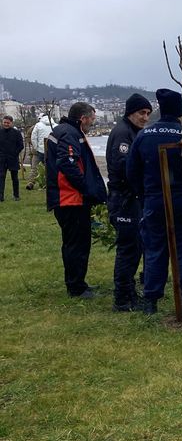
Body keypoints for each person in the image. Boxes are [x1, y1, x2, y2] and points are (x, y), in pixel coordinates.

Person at [126, 88, 182, 315]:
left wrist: (144, 195)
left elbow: (131, 171)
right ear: (181, 111)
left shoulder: (144, 136)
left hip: (155, 200)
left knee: (155, 247)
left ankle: (151, 299)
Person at [45, 103, 107, 298]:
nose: (92, 123)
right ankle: (76, 287)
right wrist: (87, 189)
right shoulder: (69, 133)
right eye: (92, 119)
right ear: (83, 118)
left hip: (68, 197)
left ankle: (78, 282)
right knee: (77, 244)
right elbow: (68, 163)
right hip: (70, 198)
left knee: (75, 242)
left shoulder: (64, 131)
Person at [106, 94, 152, 311]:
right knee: (128, 249)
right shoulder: (123, 133)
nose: (145, 118)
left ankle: (129, 292)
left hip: (131, 198)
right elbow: (124, 167)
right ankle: (123, 298)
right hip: (124, 199)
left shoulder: (133, 132)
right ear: (130, 112)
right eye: (142, 113)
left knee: (135, 246)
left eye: (148, 113)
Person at [0, 115, 24, 202]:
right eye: (4, 122)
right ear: (2, 122)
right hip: (2, 159)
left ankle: (16, 195)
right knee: (1, 177)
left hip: (13, 158)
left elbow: (21, 145)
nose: (6, 124)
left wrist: (15, 153)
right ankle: (1, 196)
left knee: (15, 178)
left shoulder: (16, 133)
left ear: (11, 123)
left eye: (8, 123)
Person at [26, 115, 53, 190]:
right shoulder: (53, 125)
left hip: (37, 151)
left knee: (34, 168)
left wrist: (34, 145)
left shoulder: (36, 126)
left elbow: (30, 136)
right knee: (49, 168)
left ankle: (31, 183)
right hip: (49, 151)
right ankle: (47, 183)